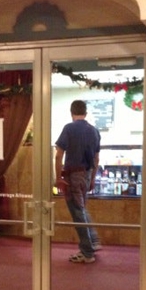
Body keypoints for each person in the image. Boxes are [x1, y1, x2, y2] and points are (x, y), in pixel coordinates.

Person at [55, 100, 102, 263]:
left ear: (71, 112)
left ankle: (87, 252)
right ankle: (93, 241)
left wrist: (58, 177)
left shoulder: (69, 128)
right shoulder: (95, 131)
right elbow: (96, 158)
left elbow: (58, 154)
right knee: (81, 209)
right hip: (87, 173)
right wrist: (93, 178)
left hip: (73, 175)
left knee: (77, 212)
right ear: (86, 113)